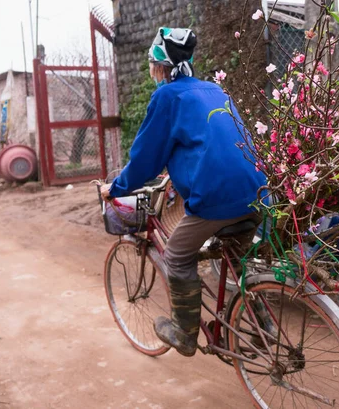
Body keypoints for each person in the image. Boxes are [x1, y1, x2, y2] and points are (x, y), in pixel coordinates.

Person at [100, 27, 266, 357]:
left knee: (176, 256)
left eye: (151, 65)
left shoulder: (167, 97)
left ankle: (185, 334)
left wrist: (115, 188)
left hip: (216, 196)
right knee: (236, 259)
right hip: (257, 189)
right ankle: (266, 329)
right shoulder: (213, 90)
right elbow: (212, 143)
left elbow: (146, 160)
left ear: (159, 67)